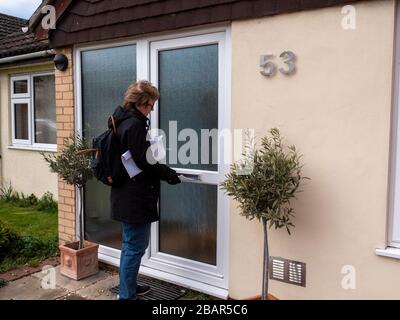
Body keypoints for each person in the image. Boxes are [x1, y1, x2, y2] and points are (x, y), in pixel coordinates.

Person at [109, 80, 181, 300]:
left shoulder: (121, 121)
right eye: (151, 104)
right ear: (142, 102)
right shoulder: (135, 125)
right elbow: (144, 162)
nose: (153, 108)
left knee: (130, 245)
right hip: (135, 198)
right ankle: (127, 296)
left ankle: (127, 287)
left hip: (126, 194)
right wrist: (169, 174)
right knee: (134, 247)